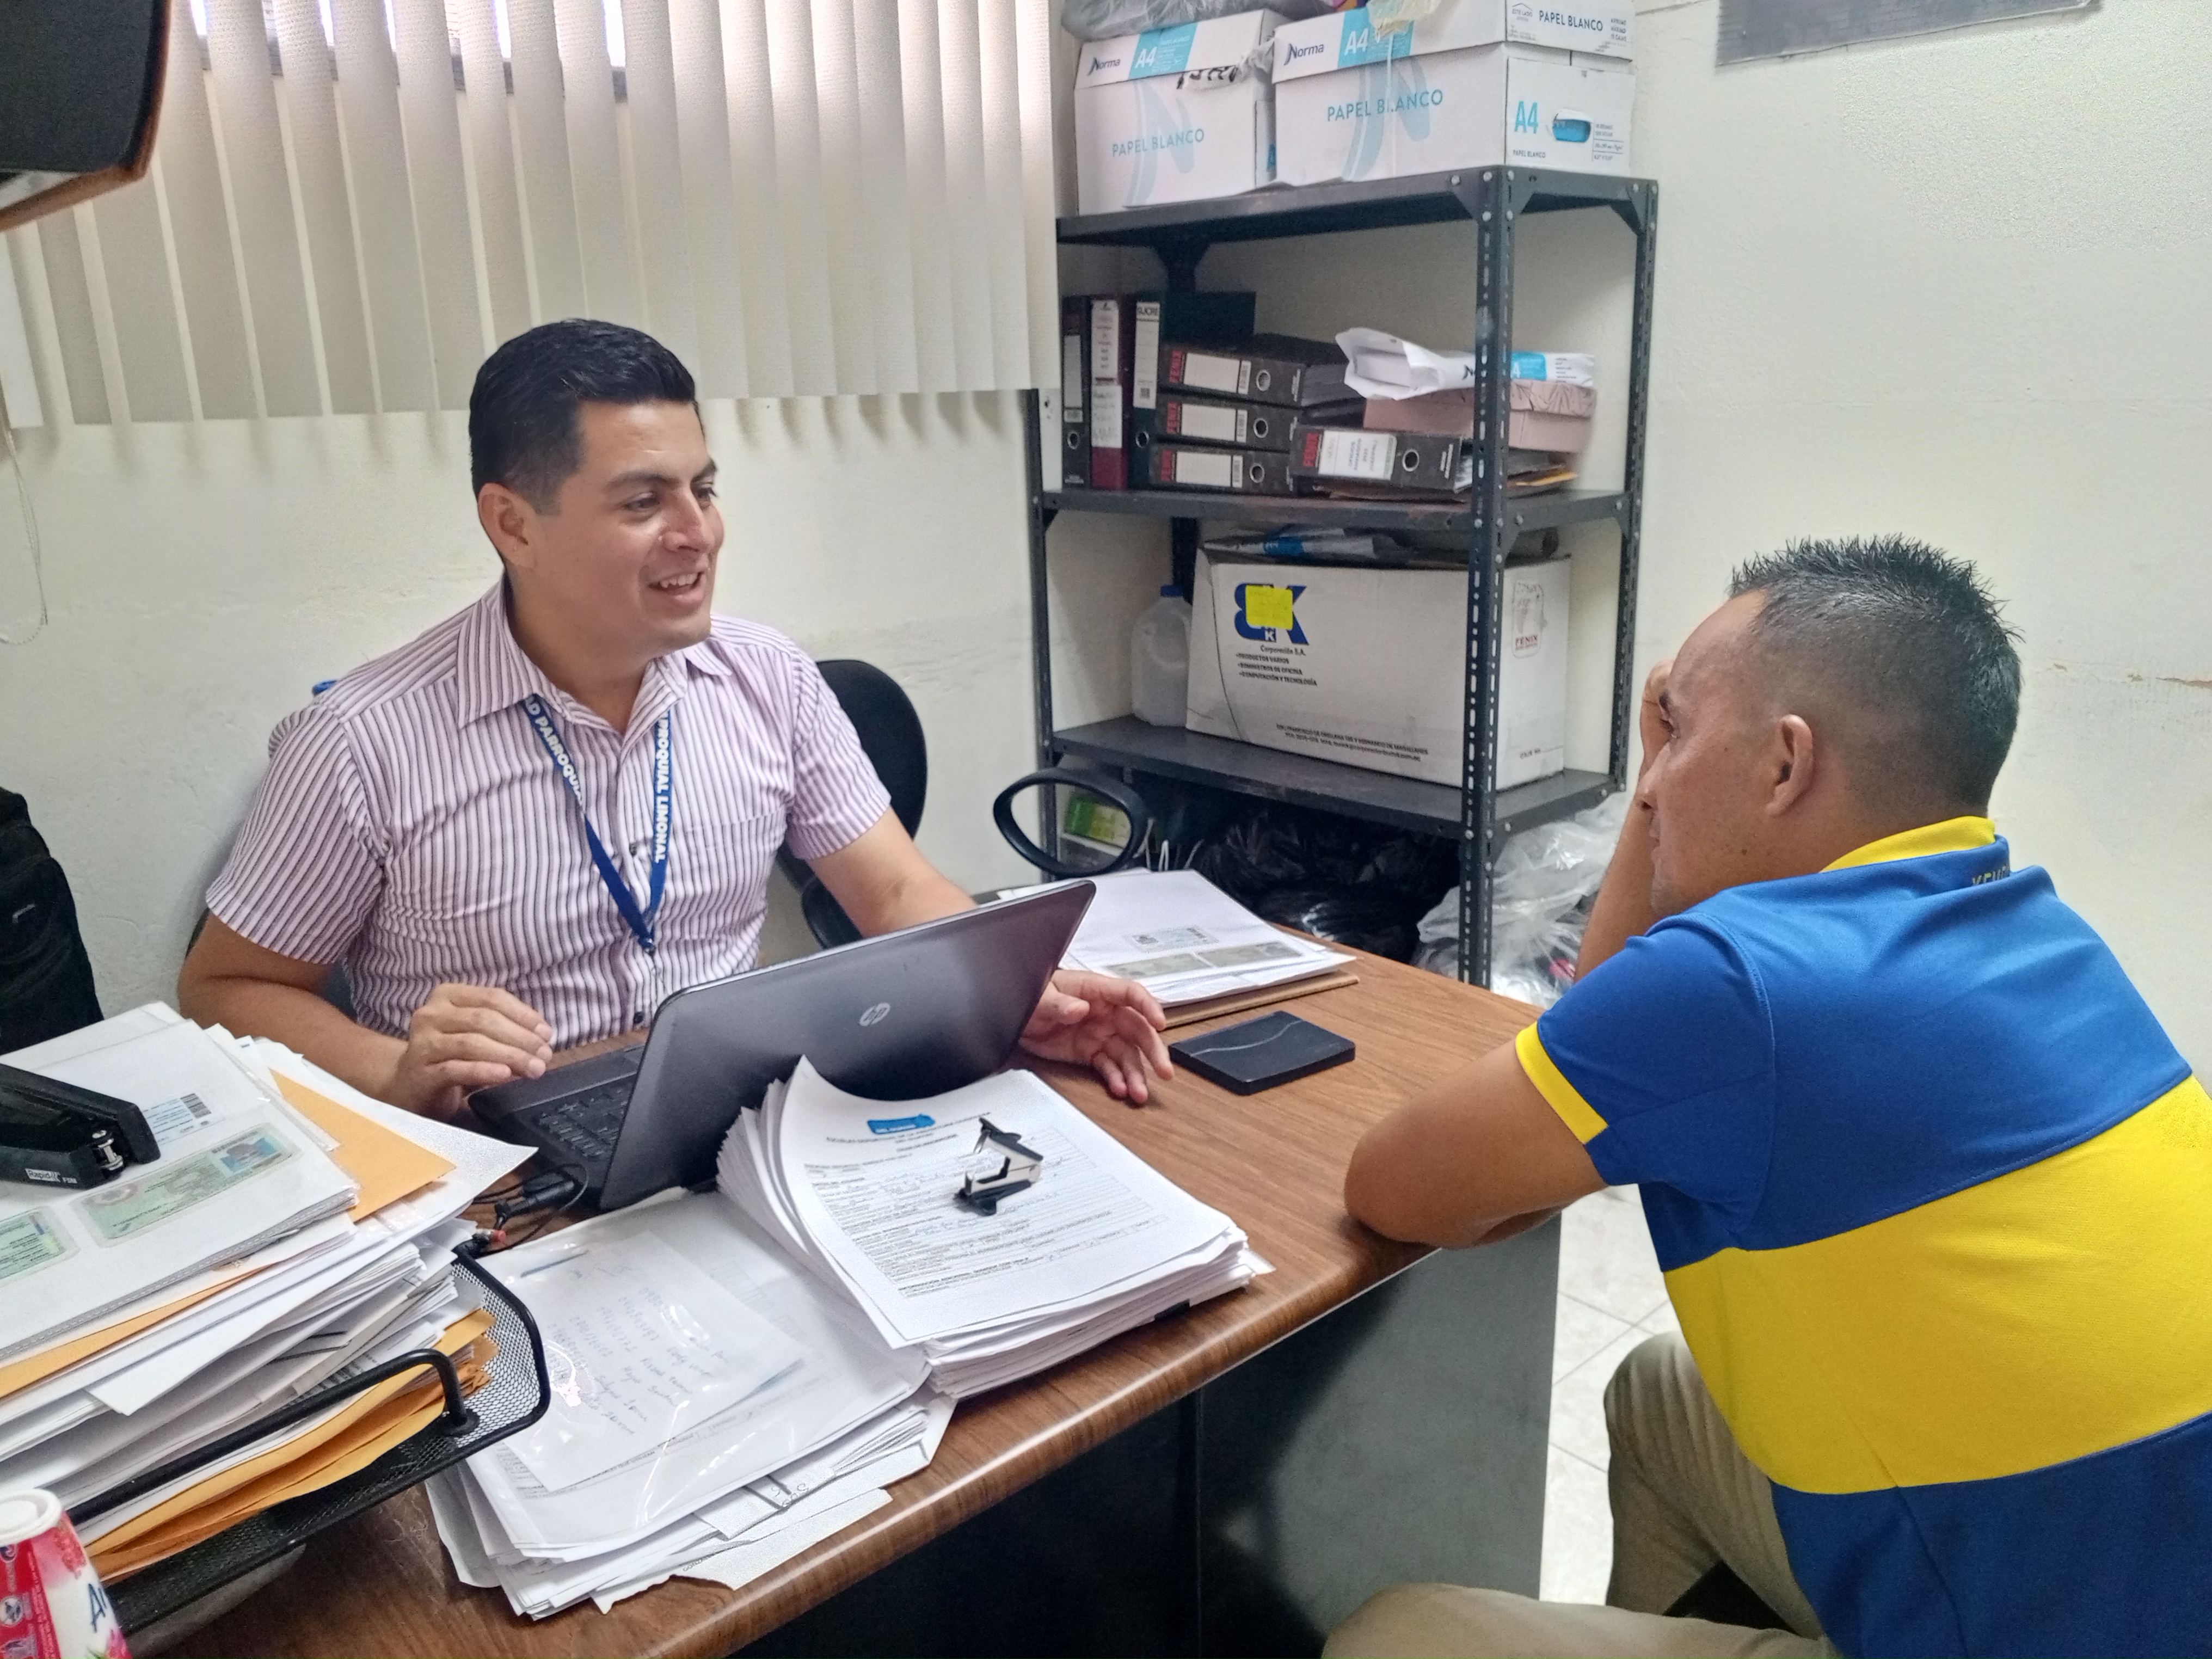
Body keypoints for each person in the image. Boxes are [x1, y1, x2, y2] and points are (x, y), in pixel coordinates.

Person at [1330, 537, 2212, 1658]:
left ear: (1786, 764)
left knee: (1391, 1635)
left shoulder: (1736, 983)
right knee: (1661, 1394)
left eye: (1677, 731)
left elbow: (1395, 1187)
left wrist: (1649, 812)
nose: (1651, 782)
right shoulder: (2037, 929)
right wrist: (1670, 763)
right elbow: (1580, 1068)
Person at [178, 319, 1171, 1118]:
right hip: (500, 1169)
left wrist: (1009, 990)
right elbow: (226, 990)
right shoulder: (363, 741)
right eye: (643, 502)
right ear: (513, 523)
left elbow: (898, 891)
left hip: (738, 1129)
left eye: (703, 489)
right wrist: (396, 1072)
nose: (698, 533)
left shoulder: (767, 677)